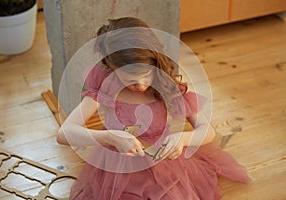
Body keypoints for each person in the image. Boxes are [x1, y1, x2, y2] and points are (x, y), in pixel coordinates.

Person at [57, 17, 250, 200]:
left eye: (147, 75)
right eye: (130, 81)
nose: (141, 84)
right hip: (117, 167)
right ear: (111, 68)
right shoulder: (107, 84)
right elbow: (64, 133)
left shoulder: (167, 86)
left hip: (162, 163)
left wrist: (183, 138)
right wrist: (111, 137)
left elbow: (207, 131)